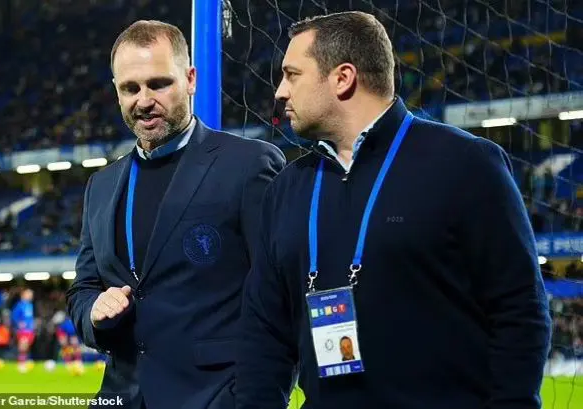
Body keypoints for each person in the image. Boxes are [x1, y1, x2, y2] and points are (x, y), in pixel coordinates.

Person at [236, 11, 552, 409]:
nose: (280, 91)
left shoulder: (466, 164)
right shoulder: (287, 187)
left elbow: (520, 311)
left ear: (343, 78)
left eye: (292, 74)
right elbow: (263, 332)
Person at [66, 20, 285, 409]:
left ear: (190, 79)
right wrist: (93, 312)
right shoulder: (101, 185)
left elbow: (279, 293)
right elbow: (83, 288)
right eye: (130, 88)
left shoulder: (249, 165)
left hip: (214, 399)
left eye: (159, 84)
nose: (144, 100)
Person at [11, 288, 35, 373]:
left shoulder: (30, 305)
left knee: (26, 347)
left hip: (30, 330)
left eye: (31, 294)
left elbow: (30, 318)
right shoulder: (20, 305)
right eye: (28, 294)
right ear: (23, 295)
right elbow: (14, 316)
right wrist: (19, 323)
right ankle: (21, 364)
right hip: (23, 330)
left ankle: (24, 362)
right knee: (23, 346)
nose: (30, 296)